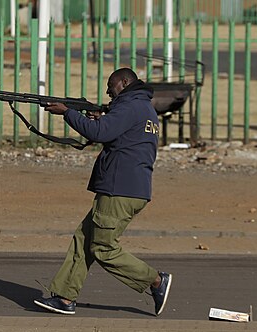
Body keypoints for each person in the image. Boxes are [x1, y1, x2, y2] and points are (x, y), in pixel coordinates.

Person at [34, 67, 171, 316]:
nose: (108, 91)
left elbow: (100, 133)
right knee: (84, 239)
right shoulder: (142, 107)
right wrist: (96, 117)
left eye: (111, 86)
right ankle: (65, 298)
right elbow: (116, 135)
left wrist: (68, 113)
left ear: (125, 82)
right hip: (126, 188)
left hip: (121, 189)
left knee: (102, 247)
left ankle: (155, 281)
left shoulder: (130, 106)